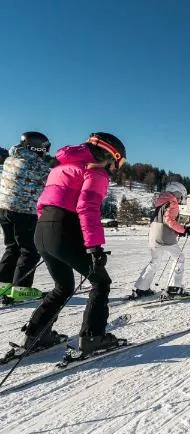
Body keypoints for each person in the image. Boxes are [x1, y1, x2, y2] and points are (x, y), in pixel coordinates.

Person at [13, 132, 127, 357]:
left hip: (43, 228)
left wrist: (49, 233)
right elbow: (87, 207)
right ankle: (93, 338)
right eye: (119, 161)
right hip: (64, 229)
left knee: (63, 286)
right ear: (110, 154)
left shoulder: (60, 168)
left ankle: (36, 335)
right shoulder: (95, 171)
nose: (116, 167)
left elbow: (42, 203)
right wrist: (94, 247)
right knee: (100, 282)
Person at [0, 132, 52, 303]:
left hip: (4, 209)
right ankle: (20, 291)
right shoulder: (38, 166)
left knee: (12, 248)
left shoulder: (10, 159)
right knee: (29, 251)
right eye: (45, 148)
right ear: (38, 147)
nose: (46, 152)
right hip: (24, 212)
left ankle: (2, 287)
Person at [130, 181, 190, 299]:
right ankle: (174, 288)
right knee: (179, 258)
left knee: (155, 261)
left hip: (154, 236)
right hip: (165, 237)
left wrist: (176, 231)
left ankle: (141, 288)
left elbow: (162, 220)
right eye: (180, 195)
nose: (180, 198)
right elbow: (168, 220)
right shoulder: (172, 202)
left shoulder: (159, 202)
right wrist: (183, 230)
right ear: (176, 192)